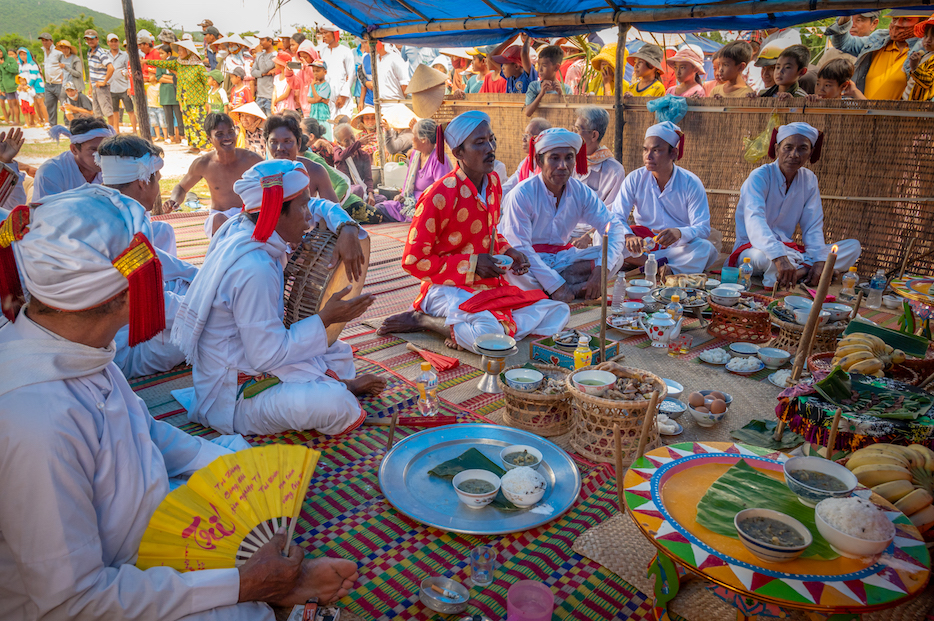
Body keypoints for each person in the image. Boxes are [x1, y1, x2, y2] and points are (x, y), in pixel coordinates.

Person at [0, 186, 359, 621]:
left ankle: (265, 584)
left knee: (245, 469)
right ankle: (267, 597)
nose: (159, 277)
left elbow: (145, 432)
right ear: (124, 294)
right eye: (151, 269)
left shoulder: (74, 346)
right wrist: (244, 585)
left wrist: (235, 471)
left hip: (143, 513)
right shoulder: (37, 422)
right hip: (102, 587)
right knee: (244, 615)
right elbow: (72, 601)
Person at [171, 159, 385, 435]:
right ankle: (338, 387)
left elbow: (319, 207)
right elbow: (265, 356)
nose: (308, 217)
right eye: (302, 208)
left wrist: (347, 227)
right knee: (336, 405)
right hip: (235, 392)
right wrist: (325, 318)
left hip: (253, 354)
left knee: (336, 350)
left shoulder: (245, 223)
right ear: (275, 212)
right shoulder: (254, 269)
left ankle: (333, 382)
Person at [378, 111, 570, 352]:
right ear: (458, 152)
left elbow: (492, 234)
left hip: (488, 286)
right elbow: (413, 260)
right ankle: (423, 320)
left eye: (491, 139)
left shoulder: (493, 184)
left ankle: (472, 329)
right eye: (480, 142)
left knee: (558, 311)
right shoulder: (439, 195)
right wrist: (472, 265)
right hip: (447, 288)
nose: (490, 148)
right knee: (490, 338)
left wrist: (509, 251)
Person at [96, 134, 199, 378]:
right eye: (158, 180)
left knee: (189, 283)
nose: (158, 188)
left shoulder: (103, 204)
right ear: (142, 183)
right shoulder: (128, 224)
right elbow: (152, 303)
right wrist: (204, 305)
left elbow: (155, 258)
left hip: (110, 325)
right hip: (121, 350)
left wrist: (200, 277)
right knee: (215, 324)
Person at [500, 128, 626, 302]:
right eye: (554, 158)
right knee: (513, 271)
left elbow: (614, 226)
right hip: (529, 262)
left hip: (561, 260)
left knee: (614, 258)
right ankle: (564, 288)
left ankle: (549, 291)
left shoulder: (581, 192)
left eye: (568, 158)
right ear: (539, 160)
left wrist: (601, 270)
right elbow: (520, 246)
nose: (562, 166)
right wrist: (557, 285)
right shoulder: (522, 194)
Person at [730, 122, 861, 287]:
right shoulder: (759, 176)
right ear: (777, 149)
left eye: (802, 149)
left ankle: (801, 271)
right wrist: (779, 256)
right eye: (788, 147)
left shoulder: (809, 180)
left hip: (790, 251)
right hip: (754, 249)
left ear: (811, 152)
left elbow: (813, 226)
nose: (794, 154)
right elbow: (754, 220)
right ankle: (804, 271)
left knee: (852, 247)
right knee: (764, 259)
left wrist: (820, 260)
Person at [610, 122, 720, 276]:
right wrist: (628, 236)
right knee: (603, 237)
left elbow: (703, 228)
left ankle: (646, 264)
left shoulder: (691, 182)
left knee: (705, 248)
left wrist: (679, 232)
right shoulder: (634, 178)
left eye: (656, 150)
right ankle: (660, 267)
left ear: (673, 153)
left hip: (677, 247)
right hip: (644, 244)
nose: (648, 156)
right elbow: (616, 215)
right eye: (645, 150)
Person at [167, 112, 264, 238]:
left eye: (230, 132)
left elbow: (273, 180)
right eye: (219, 134)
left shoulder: (251, 159)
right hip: (220, 219)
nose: (227, 138)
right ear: (209, 139)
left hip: (248, 216)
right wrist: (173, 201)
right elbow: (181, 187)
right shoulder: (203, 164)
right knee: (219, 219)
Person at [825, 9, 929, 100]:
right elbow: (844, 43)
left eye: (906, 19)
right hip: (864, 113)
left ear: (922, 23)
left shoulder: (925, 51)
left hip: (900, 116)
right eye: (895, 19)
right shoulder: (878, 39)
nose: (897, 24)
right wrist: (845, 16)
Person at [378, 118, 453, 222]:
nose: (411, 138)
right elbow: (408, 180)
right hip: (410, 203)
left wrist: (419, 202)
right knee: (380, 208)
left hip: (427, 207)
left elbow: (441, 192)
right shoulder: (415, 154)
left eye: (414, 135)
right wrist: (402, 195)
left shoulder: (439, 159)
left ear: (423, 139)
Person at [148, 40, 210, 154]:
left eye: (182, 50)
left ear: (189, 51)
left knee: (199, 123)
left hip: (198, 100)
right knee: (188, 124)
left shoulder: (199, 67)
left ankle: (205, 146)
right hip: (184, 100)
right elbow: (163, 64)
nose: (179, 52)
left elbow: (207, 84)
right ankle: (194, 146)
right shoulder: (179, 64)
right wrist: (146, 61)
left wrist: (207, 100)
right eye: (179, 50)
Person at [264, 112, 340, 204]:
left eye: (287, 141)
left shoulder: (314, 170)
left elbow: (333, 210)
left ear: (299, 143)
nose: (280, 148)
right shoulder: (261, 174)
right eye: (273, 142)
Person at [34, 116, 115, 200]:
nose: (103, 154)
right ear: (74, 149)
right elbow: (46, 207)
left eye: (106, 147)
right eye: (94, 149)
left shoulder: (116, 166)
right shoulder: (51, 172)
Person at [574, 105, 625, 206]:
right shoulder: (569, 162)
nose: (573, 134)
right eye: (574, 128)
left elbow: (610, 210)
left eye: (577, 129)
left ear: (594, 135)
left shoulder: (614, 171)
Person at [501, 117, 551, 195]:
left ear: (540, 138)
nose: (523, 139)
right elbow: (510, 184)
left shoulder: (549, 164)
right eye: (524, 135)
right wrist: (495, 195)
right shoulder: (525, 162)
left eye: (527, 135)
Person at [317, 23, 355, 117]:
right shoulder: (322, 52)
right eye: (322, 33)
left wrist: (344, 95)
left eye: (326, 33)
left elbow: (351, 74)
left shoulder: (346, 51)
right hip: (327, 97)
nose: (323, 36)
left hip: (342, 96)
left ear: (334, 33)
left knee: (343, 123)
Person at [524, 45, 571, 116]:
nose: (540, 69)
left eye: (544, 66)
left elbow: (569, 113)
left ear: (556, 67)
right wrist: (541, 94)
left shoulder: (566, 89)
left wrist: (561, 94)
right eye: (539, 65)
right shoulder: (534, 86)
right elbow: (528, 112)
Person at [105, 33, 137, 133]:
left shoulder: (125, 55)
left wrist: (129, 86)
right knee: (114, 111)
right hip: (111, 87)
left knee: (130, 110)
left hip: (124, 87)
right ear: (108, 42)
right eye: (112, 41)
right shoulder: (105, 55)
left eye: (115, 41)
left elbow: (129, 70)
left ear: (118, 42)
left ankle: (135, 130)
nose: (114, 43)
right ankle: (116, 131)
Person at [156, 44, 185, 144]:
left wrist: (166, 77)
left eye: (162, 53)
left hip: (175, 92)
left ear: (169, 53)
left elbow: (178, 76)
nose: (160, 55)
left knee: (179, 116)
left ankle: (182, 136)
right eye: (159, 53)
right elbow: (159, 78)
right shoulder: (160, 64)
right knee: (168, 117)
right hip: (165, 93)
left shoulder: (175, 63)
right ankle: (170, 136)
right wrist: (173, 79)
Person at [84, 29, 114, 121]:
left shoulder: (100, 53)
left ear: (97, 39)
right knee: (97, 113)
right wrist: (90, 86)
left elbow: (111, 68)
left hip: (102, 87)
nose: (90, 41)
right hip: (95, 86)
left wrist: (104, 82)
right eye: (87, 39)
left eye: (92, 39)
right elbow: (91, 70)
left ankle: (112, 130)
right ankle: (101, 129)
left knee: (107, 111)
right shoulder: (89, 52)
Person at [284, 39, 320, 116]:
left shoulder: (319, 66)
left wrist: (307, 67)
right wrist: (289, 73)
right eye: (301, 57)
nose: (303, 59)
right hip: (305, 108)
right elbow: (295, 84)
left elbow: (317, 78)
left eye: (305, 57)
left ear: (312, 55)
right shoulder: (302, 70)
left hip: (318, 108)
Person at [905, 17, 934, 101]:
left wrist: (915, 67)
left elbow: (928, 82)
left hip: (921, 105)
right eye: (926, 36)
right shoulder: (926, 55)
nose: (928, 40)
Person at [38, 33, 63, 125]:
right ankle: (53, 127)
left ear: (51, 41)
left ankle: (68, 126)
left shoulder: (58, 52)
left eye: (46, 40)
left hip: (59, 83)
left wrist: (63, 78)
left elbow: (64, 65)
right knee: (49, 106)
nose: (44, 42)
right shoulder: (44, 51)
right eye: (43, 40)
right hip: (49, 84)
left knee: (64, 105)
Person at [250, 32, 277, 115]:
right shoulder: (260, 55)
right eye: (260, 40)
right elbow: (253, 72)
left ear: (270, 41)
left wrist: (258, 53)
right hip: (259, 95)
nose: (260, 42)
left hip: (269, 96)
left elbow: (264, 69)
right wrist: (262, 74)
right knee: (259, 120)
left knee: (270, 121)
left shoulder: (275, 55)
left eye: (262, 40)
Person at [308, 60, 331, 138]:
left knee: (325, 137)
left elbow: (317, 99)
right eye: (314, 71)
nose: (315, 73)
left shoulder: (326, 85)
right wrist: (322, 100)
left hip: (323, 117)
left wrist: (318, 99)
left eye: (318, 71)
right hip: (313, 116)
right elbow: (308, 99)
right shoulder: (312, 85)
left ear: (325, 72)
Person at [0, 46, 18, 125]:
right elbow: (1, 76)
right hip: (6, 87)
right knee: (10, 105)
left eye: (1, 51)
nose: (0, 53)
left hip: (15, 85)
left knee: (16, 105)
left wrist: (4, 64)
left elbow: (14, 70)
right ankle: (10, 120)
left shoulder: (11, 60)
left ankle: (17, 121)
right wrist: (1, 88)